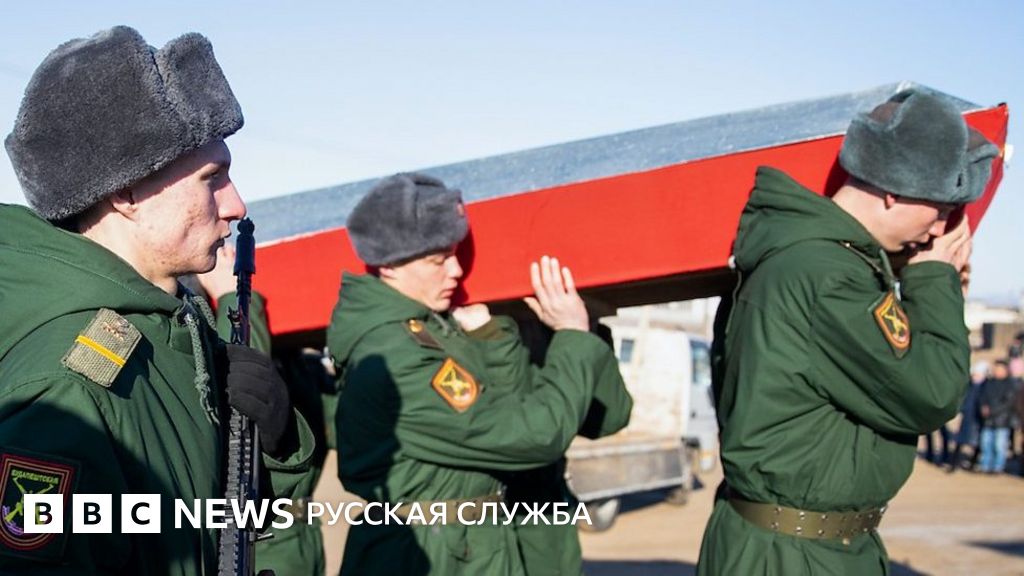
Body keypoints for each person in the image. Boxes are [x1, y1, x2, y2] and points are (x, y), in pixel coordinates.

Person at [0, 27, 313, 574]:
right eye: (212, 179)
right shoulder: (68, 385)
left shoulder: (174, 330)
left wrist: (276, 441)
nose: (236, 205)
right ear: (127, 192)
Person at [696, 89, 999, 575]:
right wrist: (931, 278)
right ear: (894, 190)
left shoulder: (820, 261)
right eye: (940, 209)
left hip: (808, 543)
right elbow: (932, 392)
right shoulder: (828, 276)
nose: (940, 230)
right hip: (794, 554)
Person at [328, 173, 630, 575]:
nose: (456, 269)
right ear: (389, 266)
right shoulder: (400, 355)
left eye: (455, 253)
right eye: (438, 260)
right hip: (428, 556)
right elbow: (534, 435)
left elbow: (576, 414)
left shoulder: (431, 331)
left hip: (458, 547)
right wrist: (573, 335)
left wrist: (493, 339)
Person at [195, 246, 332, 576]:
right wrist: (234, 298)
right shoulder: (205, 361)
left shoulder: (297, 366)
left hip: (303, 541)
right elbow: (245, 393)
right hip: (260, 542)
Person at [947, 362, 988, 473]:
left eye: (977, 374)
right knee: (959, 441)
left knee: (977, 443)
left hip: (978, 419)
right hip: (966, 417)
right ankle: (953, 464)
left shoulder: (986, 387)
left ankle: (973, 463)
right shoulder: (968, 386)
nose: (974, 376)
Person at [977, 360, 1017, 474]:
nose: (997, 371)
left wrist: (992, 411)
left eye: (999, 368)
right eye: (995, 368)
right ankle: (985, 465)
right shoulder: (988, 383)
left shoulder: (1010, 385)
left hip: (1002, 420)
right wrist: (983, 407)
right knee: (986, 444)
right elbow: (981, 397)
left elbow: (1008, 403)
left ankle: (998, 467)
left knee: (999, 446)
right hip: (987, 420)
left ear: (1005, 370)